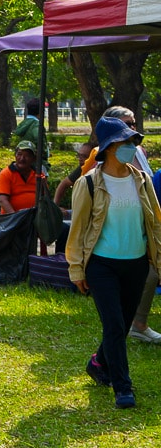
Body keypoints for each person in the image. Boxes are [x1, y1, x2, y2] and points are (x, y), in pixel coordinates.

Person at [66, 116, 161, 409]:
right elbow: (78, 229)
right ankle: (122, 386)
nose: (131, 147)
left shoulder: (142, 180)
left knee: (118, 326)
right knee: (115, 325)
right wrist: (76, 269)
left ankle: (98, 363)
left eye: (133, 141)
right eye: (124, 142)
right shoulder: (89, 183)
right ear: (108, 147)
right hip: (102, 266)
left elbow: (155, 223)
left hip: (136, 265)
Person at [0, 140, 43, 214]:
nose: (22, 158)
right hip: (12, 218)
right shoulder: (6, 173)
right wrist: (15, 217)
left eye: (27, 155)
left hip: (35, 217)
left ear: (33, 159)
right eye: (19, 154)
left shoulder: (38, 174)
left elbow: (45, 198)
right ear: (15, 155)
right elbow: (2, 200)